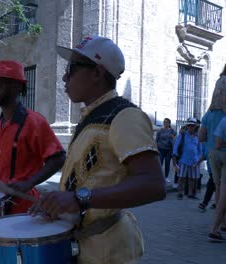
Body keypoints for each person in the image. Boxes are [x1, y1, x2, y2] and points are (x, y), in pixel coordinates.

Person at [29, 36, 165, 264]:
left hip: (109, 252)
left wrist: (79, 199)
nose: (64, 77)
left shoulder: (125, 116)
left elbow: (154, 185)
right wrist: (56, 202)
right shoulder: (92, 115)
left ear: (97, 73)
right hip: (85, 248)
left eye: (71, 69)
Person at [0, 60, 66, 214]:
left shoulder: (34, 122)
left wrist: (28, 183)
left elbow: (58, 158)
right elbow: (9, 157)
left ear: (15, 87)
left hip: (24, 208)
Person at [198, 67, 225, 212]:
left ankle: (219, 223)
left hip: (212, 155)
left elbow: (201, 136)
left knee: (218, 185)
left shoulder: (209, 114)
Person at [173, 117, 203, 199]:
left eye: (192, 126)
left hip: (194, 161)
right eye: (189, 125)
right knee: (181, 177)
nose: (190, 127)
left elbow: (200, 150)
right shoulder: (182, 135)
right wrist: (174, 158)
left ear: (195, 126)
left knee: (192, 178)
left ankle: (190, 194)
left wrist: (198, 160)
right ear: (187, 126)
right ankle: (180, 193)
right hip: (183, 160)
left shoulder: (198, 136)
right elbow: (176, 146)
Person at [156, 118, 176, 182]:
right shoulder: (160, 130)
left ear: (169, 123)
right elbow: (156, 140)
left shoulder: (172, 131)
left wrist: (173, 137)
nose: (165, 123)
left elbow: (175, 138)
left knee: (167, 164)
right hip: (161, 149)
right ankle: (159, 177)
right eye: (164, 122)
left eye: (167, 122)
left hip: (169, 150)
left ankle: (166, 177)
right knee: (160, 163)